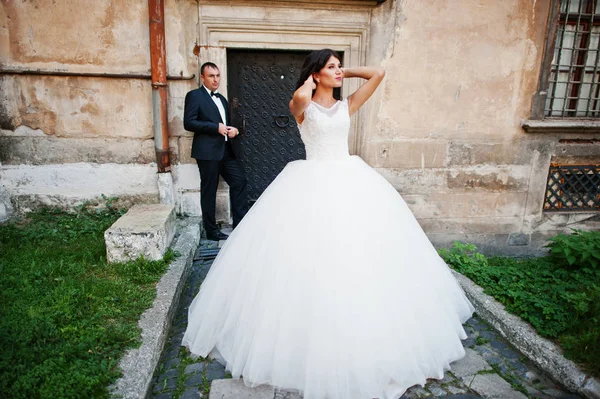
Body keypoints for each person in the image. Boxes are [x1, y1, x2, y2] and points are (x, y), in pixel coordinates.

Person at [182, 49, 474, 399]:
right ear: (316, 74)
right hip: (311, 183)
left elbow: (378, 74)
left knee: (361, 255)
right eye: (331, 67)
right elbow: (298, 100)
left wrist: (343, 70)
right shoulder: (303, 106)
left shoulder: (346, 105)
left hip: (352, 181)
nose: (337, 71)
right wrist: (312, 78)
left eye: (338, 66)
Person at [183, 62, 248, 241]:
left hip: (225, 151)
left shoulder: (223, 99)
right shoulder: (194, 96)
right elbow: (188, 123)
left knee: (239, 181)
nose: (215, 79)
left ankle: (240, 225)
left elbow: (224, 124)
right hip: (207, 153)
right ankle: (211, 231)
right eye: (211, 76)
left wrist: (233, 130)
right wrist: (214, 127)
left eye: (218, 75)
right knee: (209, 191)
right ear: (202, 78)